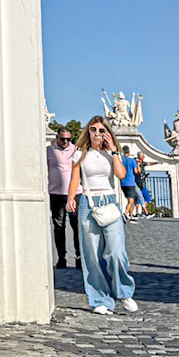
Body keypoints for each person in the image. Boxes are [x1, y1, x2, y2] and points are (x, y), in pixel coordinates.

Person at [67, 115, 139, 315]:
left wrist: (114, 150)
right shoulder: (80, 154)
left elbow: (121, 175)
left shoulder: (111, 153)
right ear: (87, 132)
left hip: (109, 202)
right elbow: (75, 180)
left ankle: (123, 292)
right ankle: (99, 299)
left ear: (107, 132)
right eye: (93, 130)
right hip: (88, 204)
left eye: (101, 130)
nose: (97, 134)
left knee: (116, 252)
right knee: (92, 255)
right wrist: (71, 198)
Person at [46, 126, 80, 268]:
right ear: (57, 138)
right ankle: (61, 257)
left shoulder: (76, 150)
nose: (65, 142)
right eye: (63, 139)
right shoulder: (49, 151)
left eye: (68, 139)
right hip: (56, 193)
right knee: (59, 227)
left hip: (76, 193)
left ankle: (79, 256)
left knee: (77, 226)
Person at [120, 146, 143, 219]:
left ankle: (131, 215)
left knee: (129, 200)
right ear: (129, 152)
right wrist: (139, 165)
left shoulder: (121, 160)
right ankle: (126, 213)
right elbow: (136, 171)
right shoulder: (132, 161)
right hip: (130, 182)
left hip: (123, 183)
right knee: (131, 200)